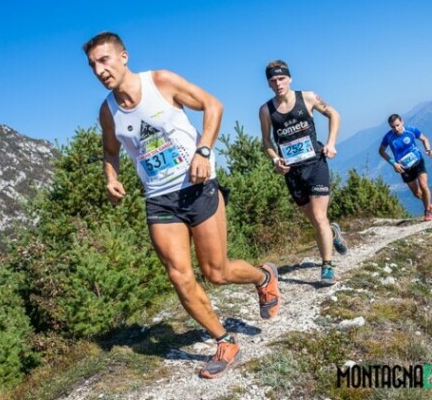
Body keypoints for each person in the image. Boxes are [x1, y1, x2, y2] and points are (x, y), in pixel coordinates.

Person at [83, 32, 281, 379]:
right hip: (159, 198)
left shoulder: (160, 81)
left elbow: (213, 105)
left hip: (197, 186)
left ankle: (264, 276)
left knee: (216, 272)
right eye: (92, 65)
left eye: (104, 60)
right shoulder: (108, 111)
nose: (99, 70)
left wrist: (203, 151)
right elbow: (111, 151)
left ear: (123, 57)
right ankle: (224, 341)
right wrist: (110, 177)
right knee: (179, 276)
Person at [259, 60, 348, 286]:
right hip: (292, 172)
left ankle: (327, 267)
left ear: (289, 78)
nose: (278, 84)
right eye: (273, 80)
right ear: (268, 83)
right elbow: (267, 141)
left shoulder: (307, 97)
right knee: (315, 219)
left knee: (318, 216)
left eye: (281, 78)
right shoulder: (266, 110)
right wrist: (276, 159)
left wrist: (331, 143)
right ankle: (333, 233)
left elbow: (334, 114)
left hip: (315, 164)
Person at [378, 114, 432, 221]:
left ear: (402, 121)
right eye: (393, 127)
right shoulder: (388, 137)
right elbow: (381, 151)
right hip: (404, 167)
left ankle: (427, 212)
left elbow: (424, 139)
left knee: (423, 185)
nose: (396, 128)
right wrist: (394, 163)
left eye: (397, 125)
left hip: (417, 160)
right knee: (417, 193)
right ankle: (428, 204)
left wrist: (428, 150)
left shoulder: (411, 130)